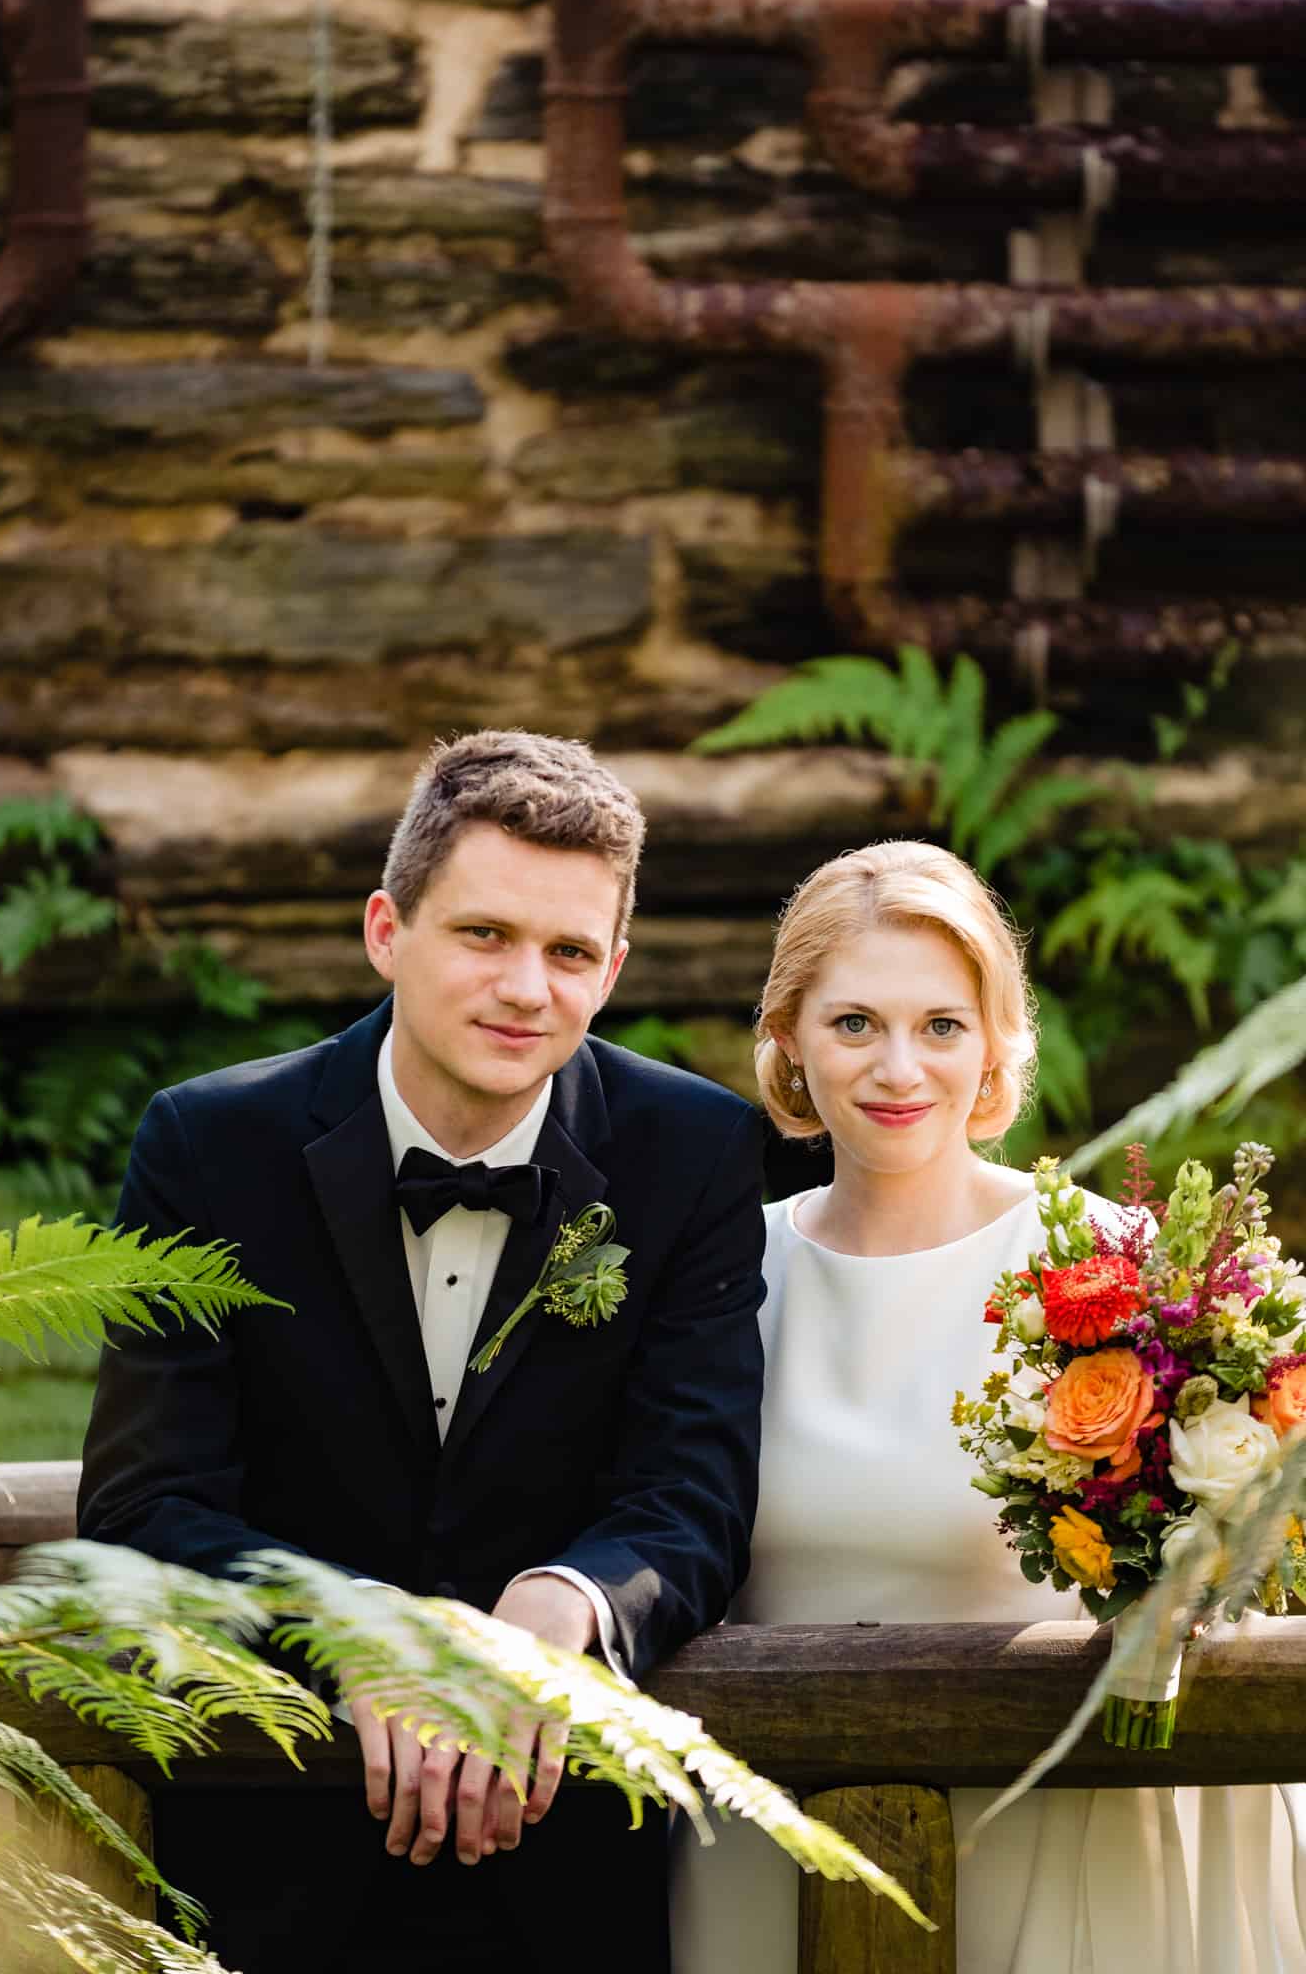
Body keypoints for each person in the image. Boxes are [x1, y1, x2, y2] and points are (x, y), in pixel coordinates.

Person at [78, 729, 767, 1974]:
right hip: (264, 1860)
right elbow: (145, 1501)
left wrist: (565, 1606)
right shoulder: (206, 1145)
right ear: (387, 930)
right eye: (484, 934)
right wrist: (361, 1634)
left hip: (573, 1870)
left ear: (612, 968)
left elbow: (694, 1493)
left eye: (568, 952)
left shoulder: (695, 1152)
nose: (527, 988)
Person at [671, 838, 1306, 1974]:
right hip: (774, 1840)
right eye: (853, 1022)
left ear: (997, 1043)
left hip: (1069, 1837)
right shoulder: (723, 1276)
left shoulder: (1117, 1268)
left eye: (942, 1025)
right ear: (790, 1044)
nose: (898, 1067)